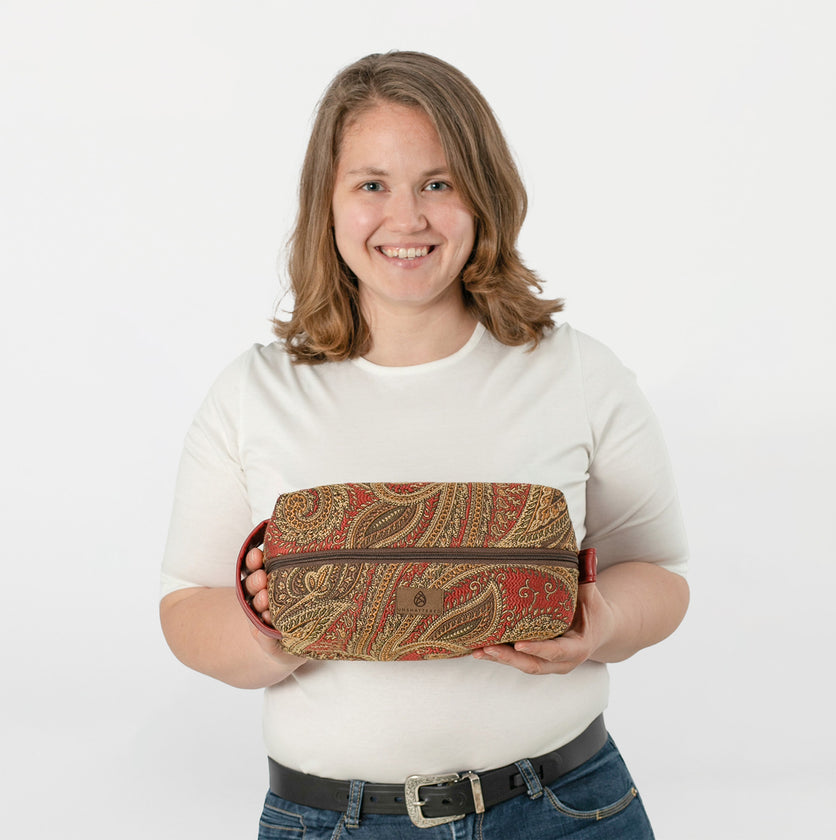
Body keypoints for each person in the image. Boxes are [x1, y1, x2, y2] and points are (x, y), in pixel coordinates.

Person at [160, 50, 689, 839]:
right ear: (328, 203)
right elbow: (183, 608)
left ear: (484, 197)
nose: (406, 219)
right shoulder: (255, 391)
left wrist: (600, 623)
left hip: (564, 809)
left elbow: (664, 577)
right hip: (331, 819)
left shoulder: (576, 370)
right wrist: (270, 629)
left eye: (438, 184)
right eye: (372, 184)